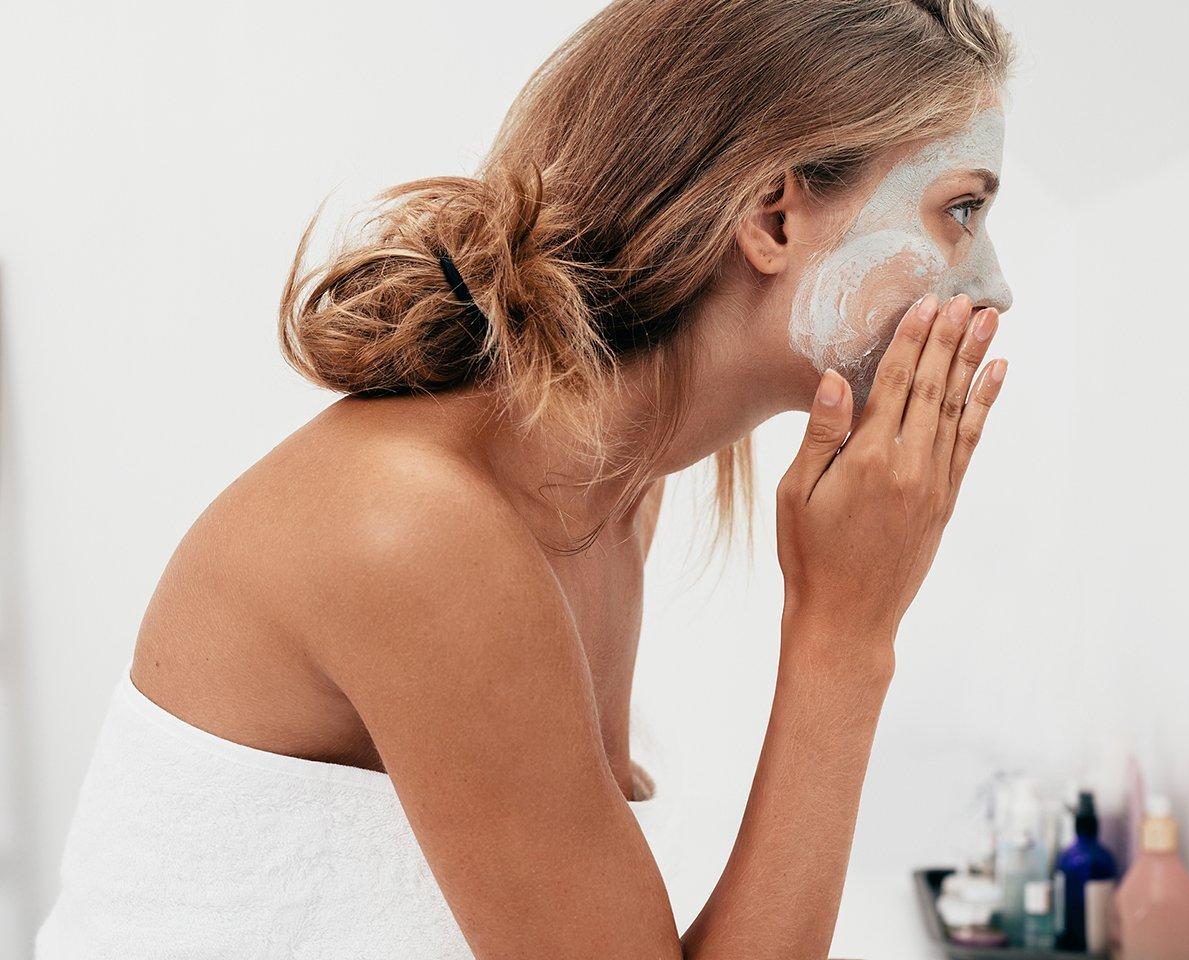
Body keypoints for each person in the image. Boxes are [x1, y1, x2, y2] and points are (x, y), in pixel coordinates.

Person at [36, 0, 1016, 957]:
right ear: (772, 217)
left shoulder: (614, 485)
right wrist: (842, 632)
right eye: (960, 209)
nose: (993, 286)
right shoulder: (413, 528)